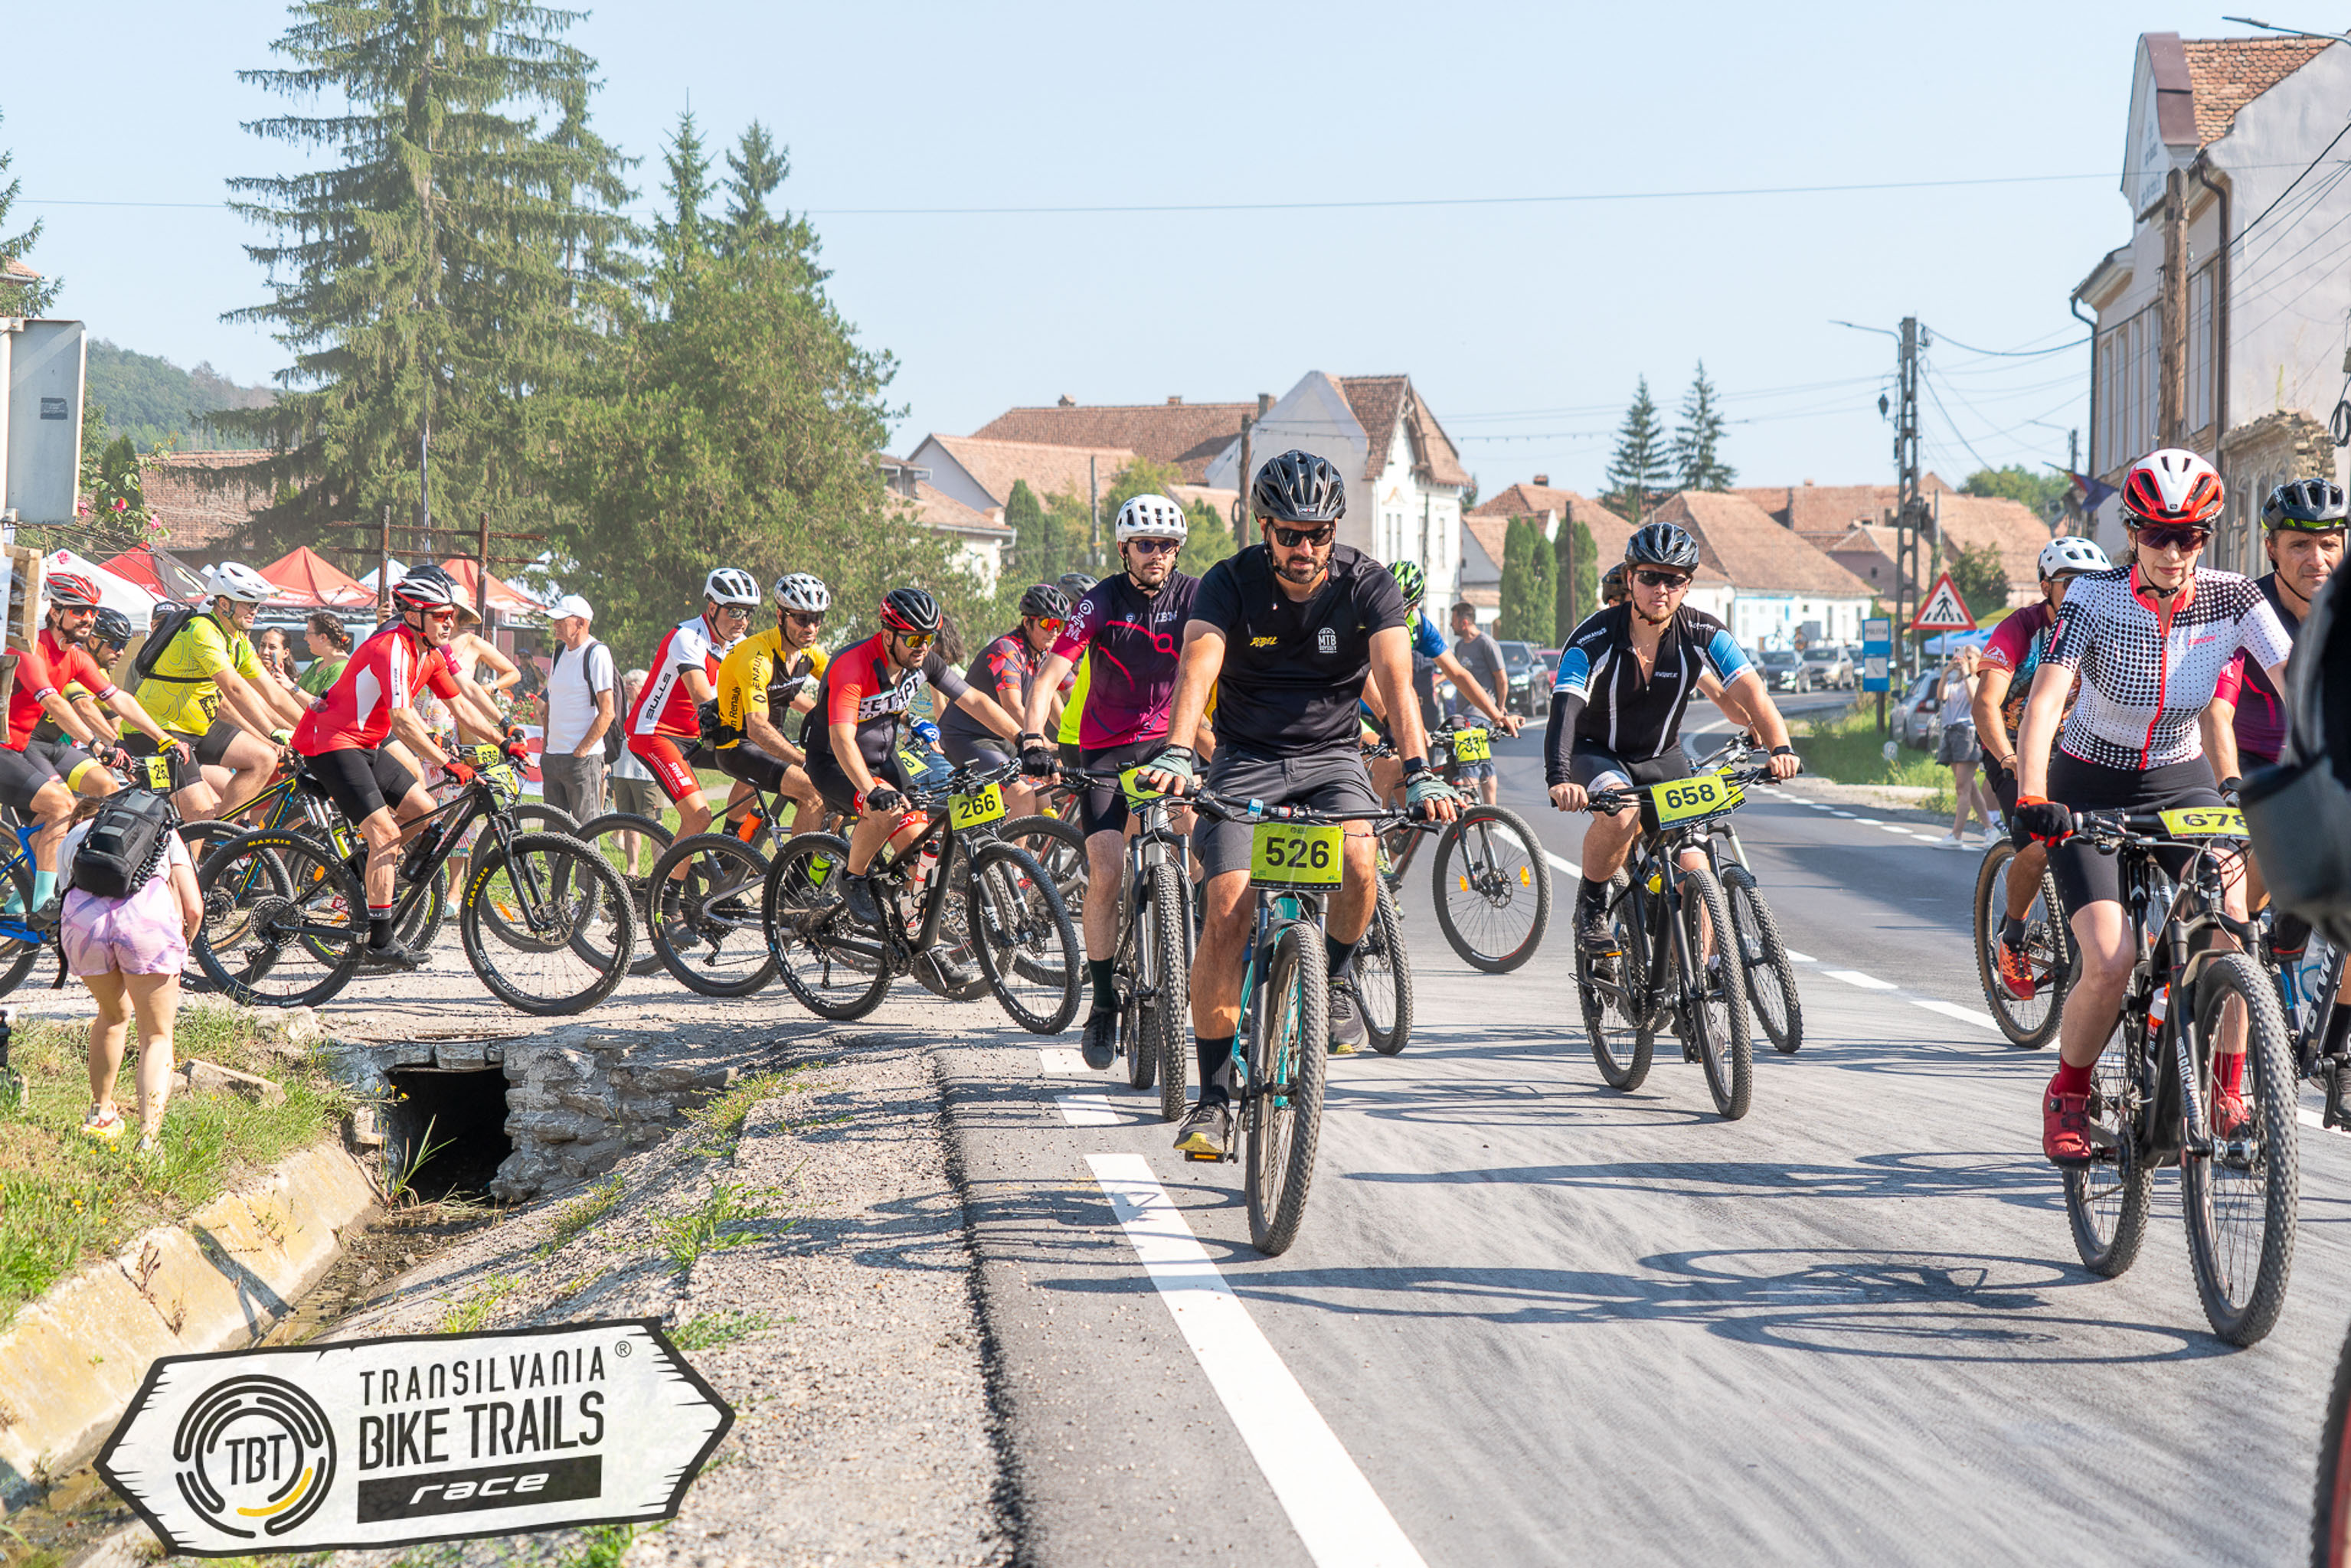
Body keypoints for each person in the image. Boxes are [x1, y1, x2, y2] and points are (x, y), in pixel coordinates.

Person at [1140, 449, 1464, 1157]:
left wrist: (1420, 771)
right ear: (1265, 529)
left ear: (1334, 531)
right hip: (1245, 760)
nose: (1304, 548)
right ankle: (1213, 1099)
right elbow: (1197, 665)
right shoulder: (1229, 582)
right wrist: (1176, 750)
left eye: (1318, 534)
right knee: (1227, 910)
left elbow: (1396, 680)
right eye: (1290, 534)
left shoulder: (1368, 583)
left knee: (1361, 861)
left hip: (1332, 760)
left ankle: (1336, 977)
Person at [2013, 449, 2293, 1162]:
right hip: (2087, 780)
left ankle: (2227, 1090)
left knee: (2232, 928)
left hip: (2178, 776)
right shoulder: (2092, 597)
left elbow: (2297, 678)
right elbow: (2045, 700)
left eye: (2190, 536)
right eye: (2159, 535)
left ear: (2208, 536)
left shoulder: (2234, 597)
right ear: (2133, 532)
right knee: (2111, 960)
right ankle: (2069, 1093)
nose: (2173, 552)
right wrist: (2034, 794)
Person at [1545, 522, 1803, 958]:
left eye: (1673, 580)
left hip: (1662, 756)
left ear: (1687, 586)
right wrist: (1559, 777)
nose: (1660, 589)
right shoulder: (1593, 639)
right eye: (1650, 577)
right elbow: (1564, 710)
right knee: (1623, 815)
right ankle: (1592, 907)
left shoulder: (1704, 633)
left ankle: (1708, 975)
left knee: (1695, 861)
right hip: (1597, 752)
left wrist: (1781, 748)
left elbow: (1753, 694)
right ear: (1631, 578)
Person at [1020, 495, 1205, 1069]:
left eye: (1167, 545)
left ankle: (1205, 954)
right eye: (1146, 544)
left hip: (1169, 747)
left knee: (1206, 848)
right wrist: (1032, 737)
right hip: (1104, 749)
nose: (1157, 554)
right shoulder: (1099, 601)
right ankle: (1102, 1003)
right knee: (1106, 867)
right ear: (1125, 548)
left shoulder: (1196, 596)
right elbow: (1049, 675)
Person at [293, 566, 506, 968]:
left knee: (425, 812)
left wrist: (504, 738)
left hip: (365, 744)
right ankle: (379, 940)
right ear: (413, 616)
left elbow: (461, 706)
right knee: (386, 834)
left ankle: (363, 870)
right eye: (441, 616)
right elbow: (404, 721)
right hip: (331, 742)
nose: (450, 623)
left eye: (452, 616)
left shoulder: (431, 653)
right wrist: (448, 763)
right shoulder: (393, 646)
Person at [2210, 478, 2351, 1058]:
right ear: (2271, 547)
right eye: (2299, 545)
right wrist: (2231, 789)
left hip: (2319, 762)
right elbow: (2217, 714)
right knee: (2243, 890)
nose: (2317, 559)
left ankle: (2334, 1052)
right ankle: (2213, 987)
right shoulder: (2248, 611)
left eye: (2330, 544)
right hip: (2249, 764)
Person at [801, 587, 1025, 929]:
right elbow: (841, 738)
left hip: (884, 759)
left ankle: (911, 935)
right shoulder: (853, 665)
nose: (923, 646)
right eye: (914, 639)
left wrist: (1023, 739)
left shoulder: (924, 662)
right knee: (885, 812)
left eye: (929, 638)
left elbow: (974, 700)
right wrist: (870, 790)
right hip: (836, 762)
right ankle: (853, 878)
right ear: (888, 635)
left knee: (921, 853)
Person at [1973, 535, 2112, 998]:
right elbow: (1985, 704)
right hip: (2011, 745)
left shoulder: (2108, 626)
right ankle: (2013, 937)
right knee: (2038, 842)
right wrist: (2008, 757)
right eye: (2070, 583)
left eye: (2092, 584)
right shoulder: (2021, 629)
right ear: (2045, 587)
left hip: (2074, 747)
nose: (2081, 593)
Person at [67, 790, 202, 1154]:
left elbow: (63, 893)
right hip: (146, 924)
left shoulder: (76, 834)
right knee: (156, 1035)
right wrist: (182, 943)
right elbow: (193, 907)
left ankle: (100, 1114)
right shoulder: (162, 828)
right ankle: (147, 1141)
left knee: (112, 1015)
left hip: (83, 926)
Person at [129, 563, 311, 822]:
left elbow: (274, 693)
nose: (254, 610)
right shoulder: (202, 630)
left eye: (257, 605)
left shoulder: (238, 641)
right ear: (224, 603)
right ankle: (206, 839)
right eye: (248, 604)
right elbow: (234, 688)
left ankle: (221, 837)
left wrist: (311, 728)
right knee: (198, 813)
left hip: (197, 729)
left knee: (263, 758)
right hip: (157, 731)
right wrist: (272, 732)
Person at [624, 567, 760, 844]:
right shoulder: (687, 636)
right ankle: (669, 875)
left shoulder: (740, 644)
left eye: (748, 613)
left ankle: (729, 849)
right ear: (712, 607)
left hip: (694, 734)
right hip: (655, 733)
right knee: (699, 817)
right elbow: (701, 696)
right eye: (735, 612)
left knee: (758, 766)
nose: (743, 621)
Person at [708, 573, 829, 835]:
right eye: (802, 619)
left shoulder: (811, 653)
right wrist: (803, 761)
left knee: (837, 796)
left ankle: (817, 853)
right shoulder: (757, 656)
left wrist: (901, 716)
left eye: (817, 619)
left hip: (772, 743)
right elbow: (757, 728)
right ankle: (798, 864)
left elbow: (849, 688)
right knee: (814, 791)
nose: (810, 627)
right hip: (739, 745)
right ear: (780, 616)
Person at [944, 583, 1066, 818]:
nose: (1054, 631)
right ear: (1027, 622)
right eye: (1047, 623)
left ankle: (1020, 843)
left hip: (1005, 737)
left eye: (1059, 625)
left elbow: (1053, 696)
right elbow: (1012, 707)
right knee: (1022, 796)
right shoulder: (1007, 650)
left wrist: (1073, 741)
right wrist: (1042, 744)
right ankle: (1008, 845)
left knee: (1043, 800)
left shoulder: (1044, 654)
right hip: (969, 736)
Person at [539, 593, 615, 823]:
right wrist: (546, 747)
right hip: (554, 756)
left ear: (580, 623)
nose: (555, 625)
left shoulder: (597, 653)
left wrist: (581, 752)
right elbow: (551, 702)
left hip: (582, 759)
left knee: (586, 828)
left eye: (561, 620)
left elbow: (608, 711)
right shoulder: (559, 653)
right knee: (552, 830)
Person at [1934, 645, 1999, 846]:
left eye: (1969, 657)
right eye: (1963, 657)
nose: (1965, 660)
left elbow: (1974, 700)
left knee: (1962, 787)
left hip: (1967, 733)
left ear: (1979, 660)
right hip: (1951, 731)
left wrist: (1966, 675)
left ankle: (1957, 835)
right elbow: (1941, 696)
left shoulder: (1978, 680)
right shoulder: (1955, 681)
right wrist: (1946, 672)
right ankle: (1991, 829)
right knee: (1969, 786)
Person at [1448, 599, 1511, 805]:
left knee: (1470, 766)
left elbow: (1502, 679)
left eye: (1453, 620)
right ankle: (1491, 813)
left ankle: (1470, 811)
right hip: (1464, 713)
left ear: (1464, 622)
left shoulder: (1486, 643)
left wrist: (1499, 710)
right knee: (1485, 765)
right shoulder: (1460, 646)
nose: (1451, 624)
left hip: (1477, 715)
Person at [608, 669, 665, 871]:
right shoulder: (621, 707)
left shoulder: (653, 707)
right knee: (628, 823)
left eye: (632, 683)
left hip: (646, 773)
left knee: (654, 824)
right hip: (621, 770)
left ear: (643, 687)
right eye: (626, 683)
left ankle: (661, 869)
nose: (627, 687)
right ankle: (632, 869)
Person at [1052, 572, 1100, 773]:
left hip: (1089, 728)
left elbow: (1073, 690)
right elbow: (1048, 691)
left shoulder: (1093, 640)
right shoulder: (1058, 644)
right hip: (1068, 731)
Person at [299, 612, 353, 696]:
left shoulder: (341, 668)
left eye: (308, 633)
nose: (305, 638)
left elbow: (324, 703)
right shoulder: (318, 662)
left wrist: (292, 688)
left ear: (323, 637)